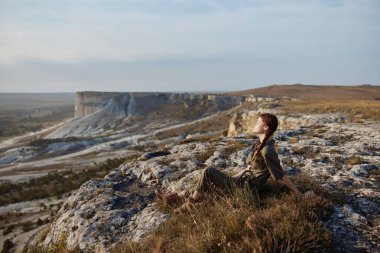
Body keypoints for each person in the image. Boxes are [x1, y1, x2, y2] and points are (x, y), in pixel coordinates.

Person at [155, 112, 315, 214]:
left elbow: (280, 176)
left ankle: (190, 205)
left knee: (208, 172)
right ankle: (173, 197)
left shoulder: (268, 150)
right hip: (240, 182)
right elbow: (248, 169)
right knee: (205, 182)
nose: (255, 124)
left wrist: (300, 195)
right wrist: (231, 178)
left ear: (265, 128)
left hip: (247, 189)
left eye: (258, 122)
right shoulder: (258, 146)